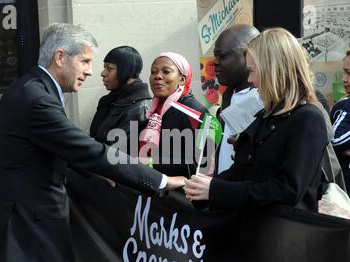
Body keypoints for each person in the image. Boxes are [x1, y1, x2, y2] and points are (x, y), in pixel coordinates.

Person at [0, 23, 184, 262]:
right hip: (30, 238)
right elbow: (89, 150)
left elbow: (54, 148)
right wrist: (160, 180)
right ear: (60, 57)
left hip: (28, 236)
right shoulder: (36, 99)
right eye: (85, 61)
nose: (90, 71)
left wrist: (94, 171)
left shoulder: (32, 88)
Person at [184, 28, 327, 213]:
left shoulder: (308, 118)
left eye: (252, 71)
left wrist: (216, 189)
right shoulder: (266, 114)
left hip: (284, 237)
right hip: (256, 233)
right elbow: (242, 172)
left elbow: (288, 190)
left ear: (273, 70)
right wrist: (198, 187)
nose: (250, 80)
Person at [139, 52, 207, 178]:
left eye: (166, 72)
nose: (157, 76)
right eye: (153, 72)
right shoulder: (154, 109)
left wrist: (150, 163)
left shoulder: (192, 111)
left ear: (182, 79)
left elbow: (200, 164)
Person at [213, 24, 262, 174]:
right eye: (215, 55)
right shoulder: (227, 98)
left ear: (248, 55)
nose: (215, 62)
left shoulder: (268, 101)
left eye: (223, 56)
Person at [90, 46, 151, 156]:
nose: (103, 73)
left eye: (109, 68)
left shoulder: (140, 108)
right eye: (105, 68)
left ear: (126, 71)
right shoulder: (109, 100)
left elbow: (116, 154)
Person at [330, 49, 350, 194]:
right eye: (344, 72)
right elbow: (331, 142)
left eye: (349, 73)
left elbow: (336, 141)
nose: (344, 79)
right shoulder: (341, 106)